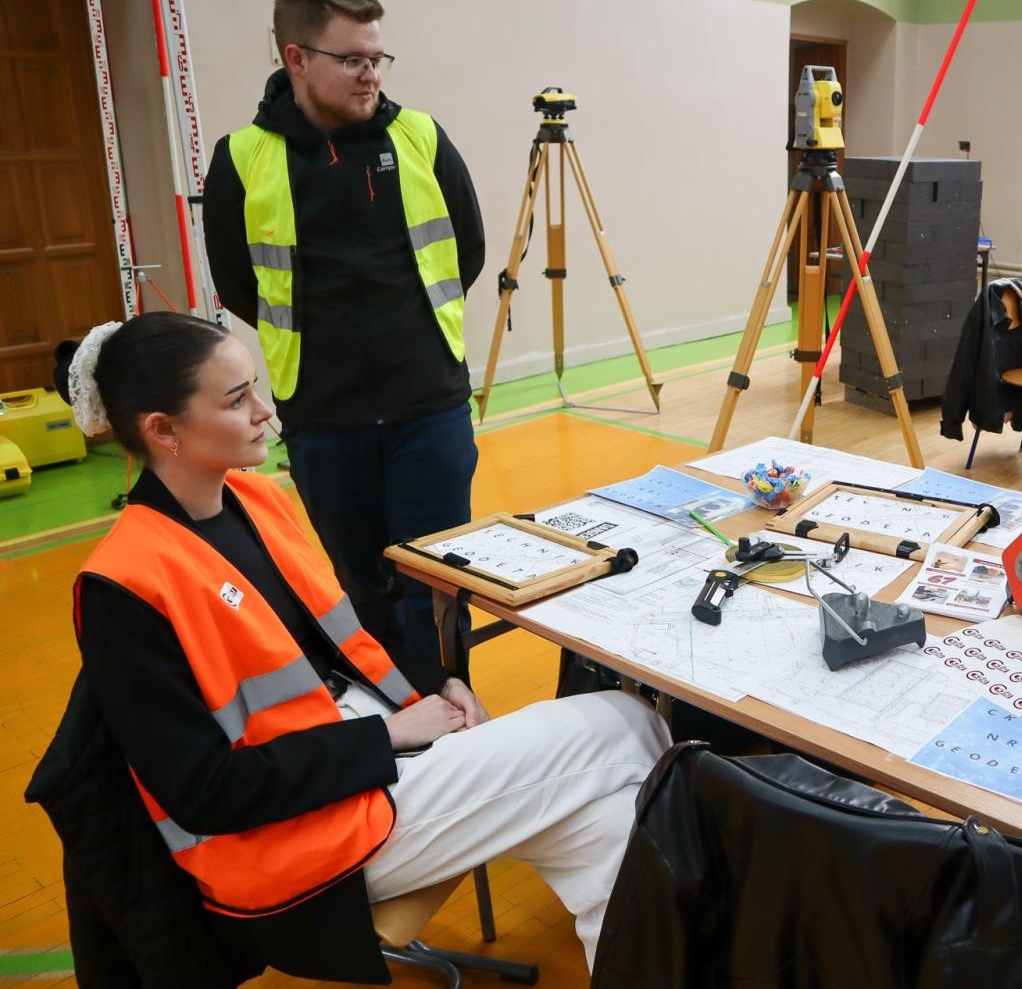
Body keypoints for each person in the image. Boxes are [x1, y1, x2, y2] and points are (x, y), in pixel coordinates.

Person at [53, 312, 670, 977]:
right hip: (292, 838)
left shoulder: (256, 499)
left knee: (611, 834)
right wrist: (391, 736)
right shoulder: (123, 585)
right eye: (236, 401)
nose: (264, 412)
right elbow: (203, 792)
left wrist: (434, 685)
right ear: (163, 430)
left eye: (256, 388)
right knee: (624, 720)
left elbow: (337, 642)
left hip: (358, 765)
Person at [203, 0, 485, 689]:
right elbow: (241, 284)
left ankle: (455, 719)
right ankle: (400, 723)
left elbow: (467, 251)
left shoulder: (419, 136)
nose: (370, 76)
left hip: (429, 406)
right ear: (296, 58)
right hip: (325, 416)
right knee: (364, 588)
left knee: (439, 581)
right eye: (351, 59)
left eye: (376, 58)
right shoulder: (241, 159)